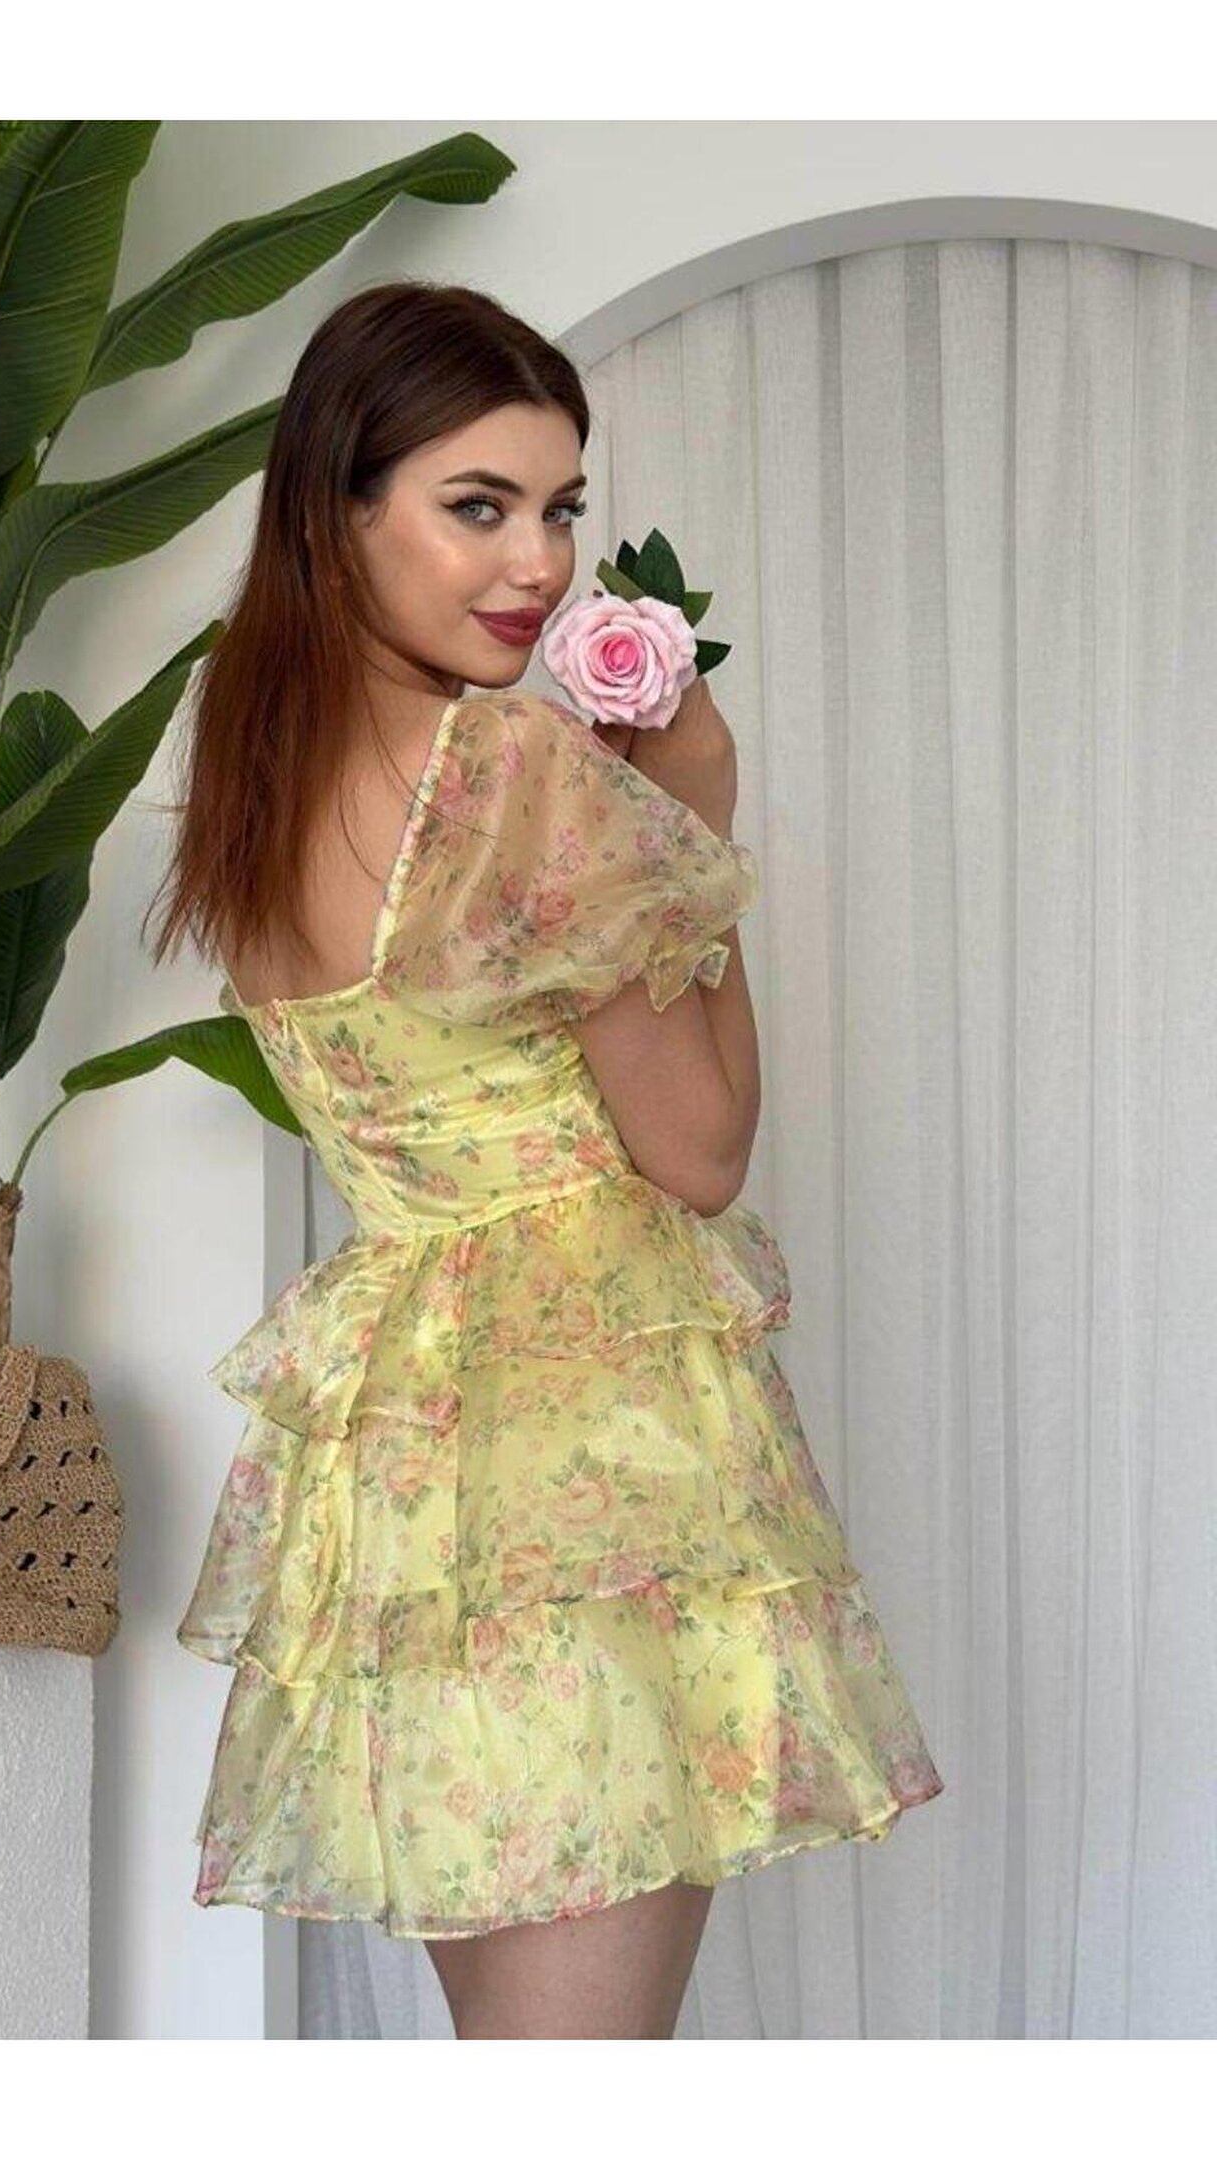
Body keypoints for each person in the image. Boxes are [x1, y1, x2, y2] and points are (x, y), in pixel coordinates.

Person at [152, 279, 944, 2039]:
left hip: (414, 1476)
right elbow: (701, 1152)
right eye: (478, 506)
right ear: (338, 512)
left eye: (562, 507)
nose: (538, 565)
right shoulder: (514, 772)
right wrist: (692, 823)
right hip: (587, 1466)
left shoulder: (255, 764)